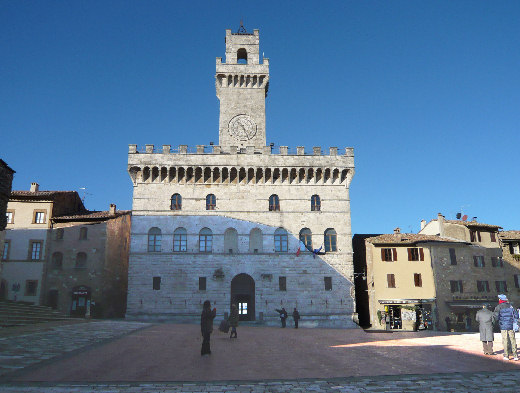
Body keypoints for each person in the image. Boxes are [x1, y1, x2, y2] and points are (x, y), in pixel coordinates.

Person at [493, 294, 518, 361]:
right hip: (511, 325)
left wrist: (498, 322)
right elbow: (516, 315)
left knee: (505, 340)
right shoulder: (511, 306)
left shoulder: (499, 307)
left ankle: (506, 355)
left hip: (503, 325)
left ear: (500, 300)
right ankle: (515, 355)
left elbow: (496, 316)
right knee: (513, 340)